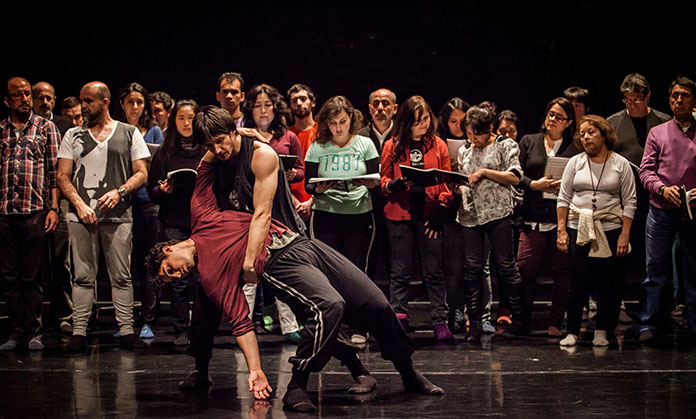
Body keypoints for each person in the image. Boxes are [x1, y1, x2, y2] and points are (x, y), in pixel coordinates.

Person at [165, 105, 444, 411]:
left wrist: (246, 263)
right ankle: (299, 382)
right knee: (326, 306)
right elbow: (240, 320)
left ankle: (407, 372)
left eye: (221, 140)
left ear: (234, 130)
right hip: (270, 259)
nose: (218, 149)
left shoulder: (261, 155)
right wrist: (249, 263)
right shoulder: (214, 171)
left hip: (293, 241)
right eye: (210, 145)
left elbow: (262, 213)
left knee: (375, 303)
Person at [56, 81, 150, 352]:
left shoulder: (128, 132)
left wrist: (119, 192)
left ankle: (127, 330)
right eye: (83, 101)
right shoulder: (73, 134)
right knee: (83, 276)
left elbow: (142, 172)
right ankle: (80, 331)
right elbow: (63, 175)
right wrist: (80, 205)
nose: (83, 106)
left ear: (105, 102)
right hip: (81, 216)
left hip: (118, 215)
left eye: (89, 101)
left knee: (121, 275)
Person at [557, 115, 636, 347]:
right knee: (578, 279)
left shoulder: (620, 163)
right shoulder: (575, 162)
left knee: (608, 282)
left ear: (603, 134)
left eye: (591, 132)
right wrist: (561, 230)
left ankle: (602, 329)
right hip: (579, 227)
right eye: (582, 134)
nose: (586, 137)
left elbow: (630, 201)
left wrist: (625, 233)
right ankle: (572, 330)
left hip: (610, 227)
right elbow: (563, 197)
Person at [380, 95, 454, 341]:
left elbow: (446, 181)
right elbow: (383, 182)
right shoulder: (392, 145)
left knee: (433, 270)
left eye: (425, 119)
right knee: (400, 270)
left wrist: (443, 205)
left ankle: (440, 320)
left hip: (429, 214)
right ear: (406, 122)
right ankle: (399, 316)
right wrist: (395, 184)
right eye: (417, 120)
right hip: (400, 213)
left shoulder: (438, 145)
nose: (423, 124)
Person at [454, 104, 525, 342]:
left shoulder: (505, 145)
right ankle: (474, 323)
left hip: (498, 213)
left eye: (478, 134)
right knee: (472, 269)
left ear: (490, 129)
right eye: (470, 133)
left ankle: (519, 320)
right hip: (470, 214)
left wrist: (485, 172)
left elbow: (515, 176)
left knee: (505, 266)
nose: (473, 138)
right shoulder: (465, 150)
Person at [0, 77, 61, 351]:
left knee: (32, 276)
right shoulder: (1, 130)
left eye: (27, 94)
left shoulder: (46, 128)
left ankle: (34, 331)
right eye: (18, 95)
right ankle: (15, 331)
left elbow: (54, 173)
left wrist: (54, 207)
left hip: (34, 211)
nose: (25, 99)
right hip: (5, 211)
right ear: (7, 100)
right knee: (9, 276)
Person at [608, 73, 672, 322]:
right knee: (620, 253)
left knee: (656, 257)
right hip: (621, 200)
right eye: (627, 99)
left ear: (648, 97)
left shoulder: (663, 122)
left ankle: (658, 310)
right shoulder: (613, 123)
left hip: (656, 199)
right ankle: (617, 306)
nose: (632, 104)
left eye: (637, 99)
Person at [241, 84, 302, 342]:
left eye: (268, 105)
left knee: (282, 266)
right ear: (250, 109)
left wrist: (290, 173)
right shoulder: (243, 135)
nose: (263, 110)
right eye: (258, 105)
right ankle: (241, 325)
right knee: (249, 265)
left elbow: (300, 169)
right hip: (250, 207)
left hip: (280, 208)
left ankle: (290, 327)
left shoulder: (288, 136)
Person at [637, 76, 696, 342]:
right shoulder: (658, 132)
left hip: (693, 211)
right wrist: (662, 189)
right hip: (661, 209)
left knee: (692, 270)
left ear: (694, 99)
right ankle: (648, 323)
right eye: (674, 96)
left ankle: (694, 323)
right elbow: (646, 172)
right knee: (655, 268)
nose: (679, 100)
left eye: (684, 95)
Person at [516, 98, 578, 337]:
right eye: (551, 114)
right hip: (532, 218)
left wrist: (567, 184)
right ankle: (522, 323)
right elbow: (516, 173)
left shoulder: (574, 147)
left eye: (559, 117)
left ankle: (555, 322)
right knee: (525, 270)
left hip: (561, 219)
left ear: (569, 122)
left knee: (562, 272)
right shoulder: (529, 141)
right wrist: (534, 184)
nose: (552, 120)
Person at [145, 100, 205, 346]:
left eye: (191, 117)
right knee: (179, 279)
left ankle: (202, 329)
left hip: (201, 220)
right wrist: (163, 190)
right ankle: (181, 330)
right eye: (181, 118)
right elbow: (151, 191)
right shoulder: (165, 151)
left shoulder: (205, 149)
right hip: (174, 219)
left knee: (202, 279)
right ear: (174, 120)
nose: (186, 123)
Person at [115, 82, 164, 339]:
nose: (135, 107)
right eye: (130, 101)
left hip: (147, 202)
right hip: (122, 202)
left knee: (148, 262)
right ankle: (124, 319)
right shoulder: (114, 129)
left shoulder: (154, 131)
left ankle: (148, 319)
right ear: (121, 104)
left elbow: (158, 164)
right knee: (124, 263)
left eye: (140, 102)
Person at [31, 81, 75, 333]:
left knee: (61, 261)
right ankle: (33, 319)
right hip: (34, 203)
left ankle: (65, 315)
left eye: (49, 98)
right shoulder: (26, 127)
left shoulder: (65, 126)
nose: (45, 102)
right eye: (40, 98)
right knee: (33, 264)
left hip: (61, 202)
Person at [437, 97, 477, 334]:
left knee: (474, 266)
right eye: (453, 121)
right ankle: (455, 314)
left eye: (463, 121)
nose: (458, 126)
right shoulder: (440, 142)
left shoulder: (476, 142)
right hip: (449, 209)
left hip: (473, 208)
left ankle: (476, 315)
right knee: (452, 267)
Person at [287, 83, 318, 222]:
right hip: (291, 204)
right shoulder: (285, 136)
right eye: (294, 101)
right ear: (289, 107)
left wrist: (312, 201)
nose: (299, 103)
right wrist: (294, 202)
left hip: (319, 201)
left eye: (303, 99)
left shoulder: (324, 133)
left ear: (313, 103)